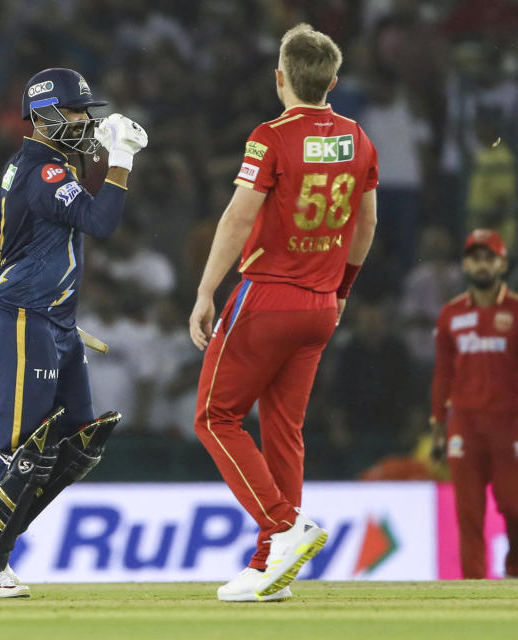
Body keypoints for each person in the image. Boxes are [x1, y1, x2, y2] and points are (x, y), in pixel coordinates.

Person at [188, 24, 379, 602]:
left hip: (267, 296)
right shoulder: (357, 137)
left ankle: (282, 526)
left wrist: (205, 291)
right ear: (333, 81)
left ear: (280, 78)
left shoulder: (270, 137)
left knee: (215, 419)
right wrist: (342, 289)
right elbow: (366, 223)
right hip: (321, 303)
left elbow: (238, 217)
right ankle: (271, 565)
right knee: (283, 431)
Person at [0, 68, 148, 598]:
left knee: (77, 439)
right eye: (76, 112)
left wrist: (4, 275)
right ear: (43, 117)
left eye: (87, 111)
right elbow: (101, 222)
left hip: (52, 321)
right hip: (26, 319)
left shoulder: (33, 168)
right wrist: (121, 162)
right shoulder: (43, 173)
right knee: (24, 444)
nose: (86, 122)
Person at [430, 229, 518, 579]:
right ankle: (473, 592)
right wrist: (438, 426)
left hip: (509, 421)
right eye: (475, 258)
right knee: (468, 514)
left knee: (516, 509)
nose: (481, 265)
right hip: (464, 424)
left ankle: (515, 568)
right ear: (465, 263)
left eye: (489, 258)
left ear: (503, 263)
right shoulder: (450, 314)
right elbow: (442, 375)